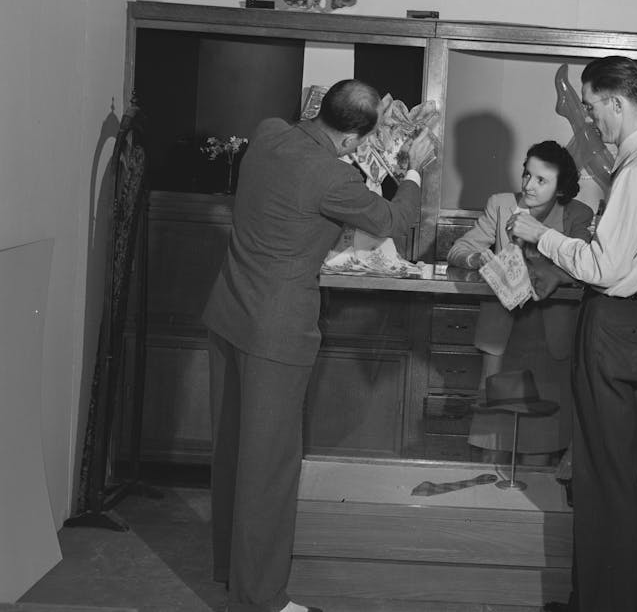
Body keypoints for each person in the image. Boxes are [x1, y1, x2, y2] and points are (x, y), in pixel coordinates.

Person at [201, 79, 435, 612]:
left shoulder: (268, 134)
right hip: (276, 331)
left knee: (233, 454)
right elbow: (394, 219)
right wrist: (414, 169)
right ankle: (261, 599)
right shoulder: (332, 176)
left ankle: (231, 572)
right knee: (269, 469)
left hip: (228, 313)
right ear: (352, 141)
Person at [508, 56, 637, 612]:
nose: (590, 119)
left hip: (610, 324)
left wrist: (540, 234)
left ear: (616, 101)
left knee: (599, 478)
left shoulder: (636, 172)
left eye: (591, 107)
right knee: (610, 474)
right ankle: (593, 597)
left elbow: (604, 267)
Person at [447, 140, 593, 464]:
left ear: (561, 187)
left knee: (542, 437)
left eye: (541, 180)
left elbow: (583, 262)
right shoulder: (501, 204)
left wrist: (554, 273)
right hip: (503, 333)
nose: (529, 185)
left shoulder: (577, 214)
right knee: (494, 435)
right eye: (527, 174)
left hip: (551, 336)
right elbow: (458, 250)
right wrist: (476, 258)